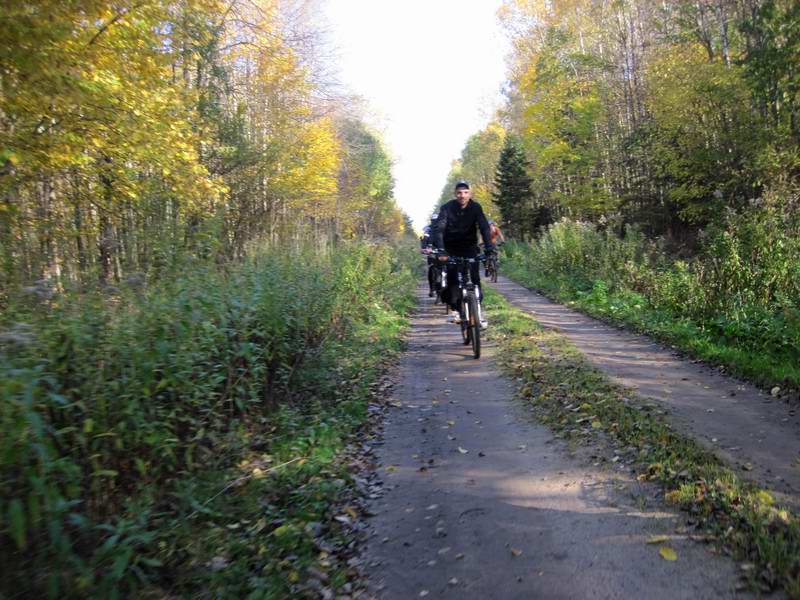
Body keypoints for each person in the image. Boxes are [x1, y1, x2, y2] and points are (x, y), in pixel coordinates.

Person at [431, 180, 494, 328]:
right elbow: (439, 230)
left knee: (475, 279)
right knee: (453, 280)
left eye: (465, 192)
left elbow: (484, 227)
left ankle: (478, 313)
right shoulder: (447, 208)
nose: (462, 195)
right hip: (450, 248)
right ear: (455, 194)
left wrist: (489, 247)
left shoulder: (476, 207)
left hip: (469, 247)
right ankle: (456, 311)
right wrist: (441, 250)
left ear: (470, 193)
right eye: (459, 192)